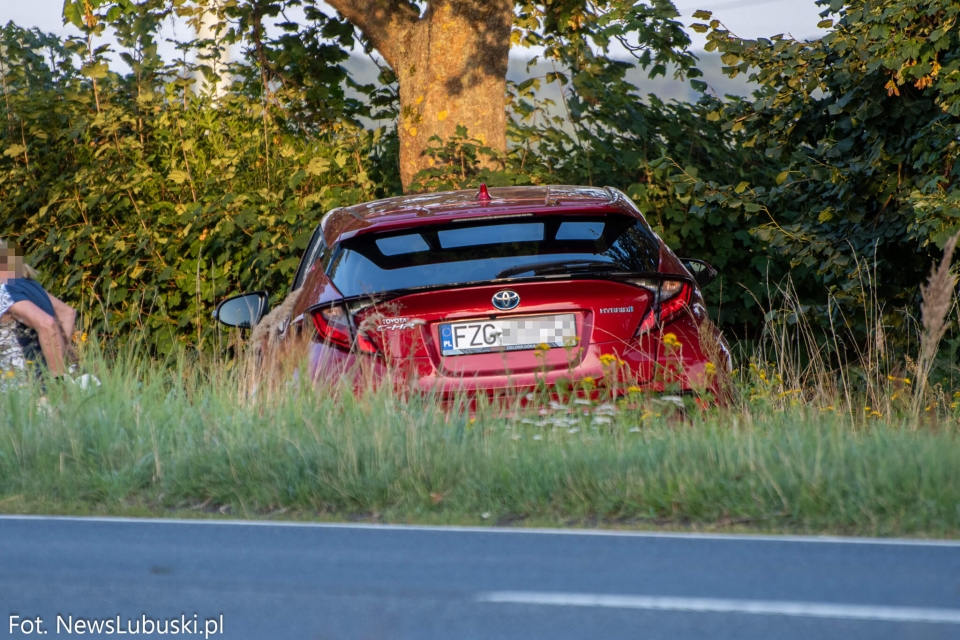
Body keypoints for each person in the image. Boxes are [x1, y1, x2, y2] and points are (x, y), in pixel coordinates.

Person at [0, 239, 76, 381]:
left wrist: (57, 377)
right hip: (40, 383)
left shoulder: (5, 292)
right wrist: (56, 360)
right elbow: (67, 313)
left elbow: (46, 323)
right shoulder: (28, 285)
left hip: (23, 388)